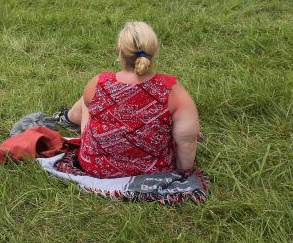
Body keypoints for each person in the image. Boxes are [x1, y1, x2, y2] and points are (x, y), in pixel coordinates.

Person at [55, 21, 200, 178]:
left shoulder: (100, 83)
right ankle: (67, 119)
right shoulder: (173, 90)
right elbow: (187, 140)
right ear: (155, 51)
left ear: (119, 51)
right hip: (154, 172)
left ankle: (68, 119)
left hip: (96, 167)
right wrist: (184, 173)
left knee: (86, 102)